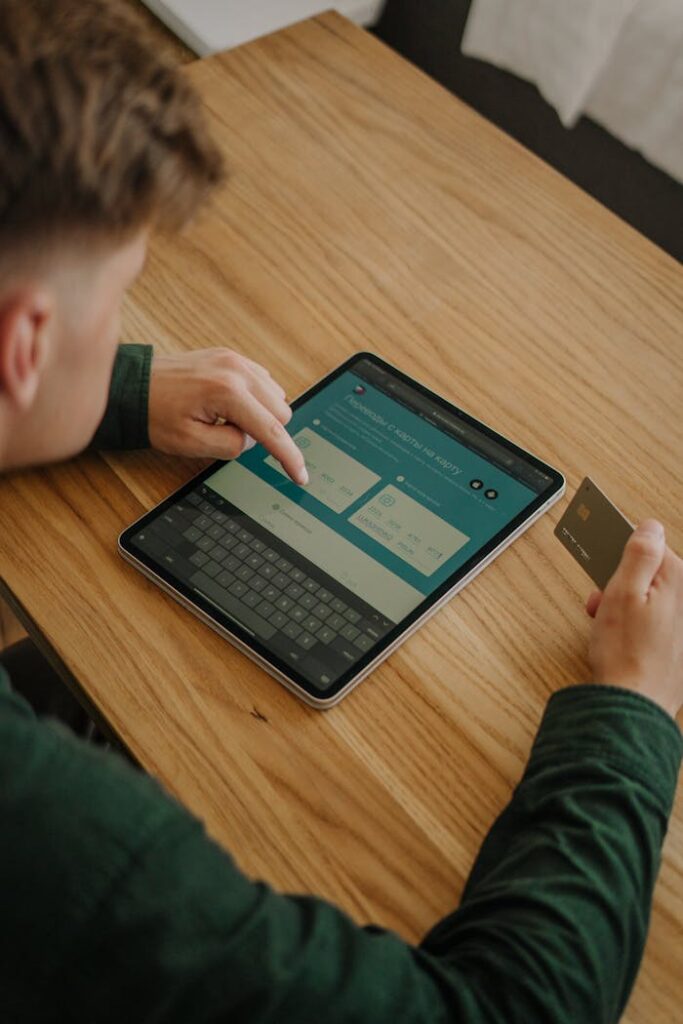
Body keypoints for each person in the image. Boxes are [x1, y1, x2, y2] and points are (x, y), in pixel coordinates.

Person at [0, 2, 681, 1022]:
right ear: (26, 342)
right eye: (118, 300)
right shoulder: (53, 833)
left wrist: (121, 387)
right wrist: (629, 714)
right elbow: (505, 1010)